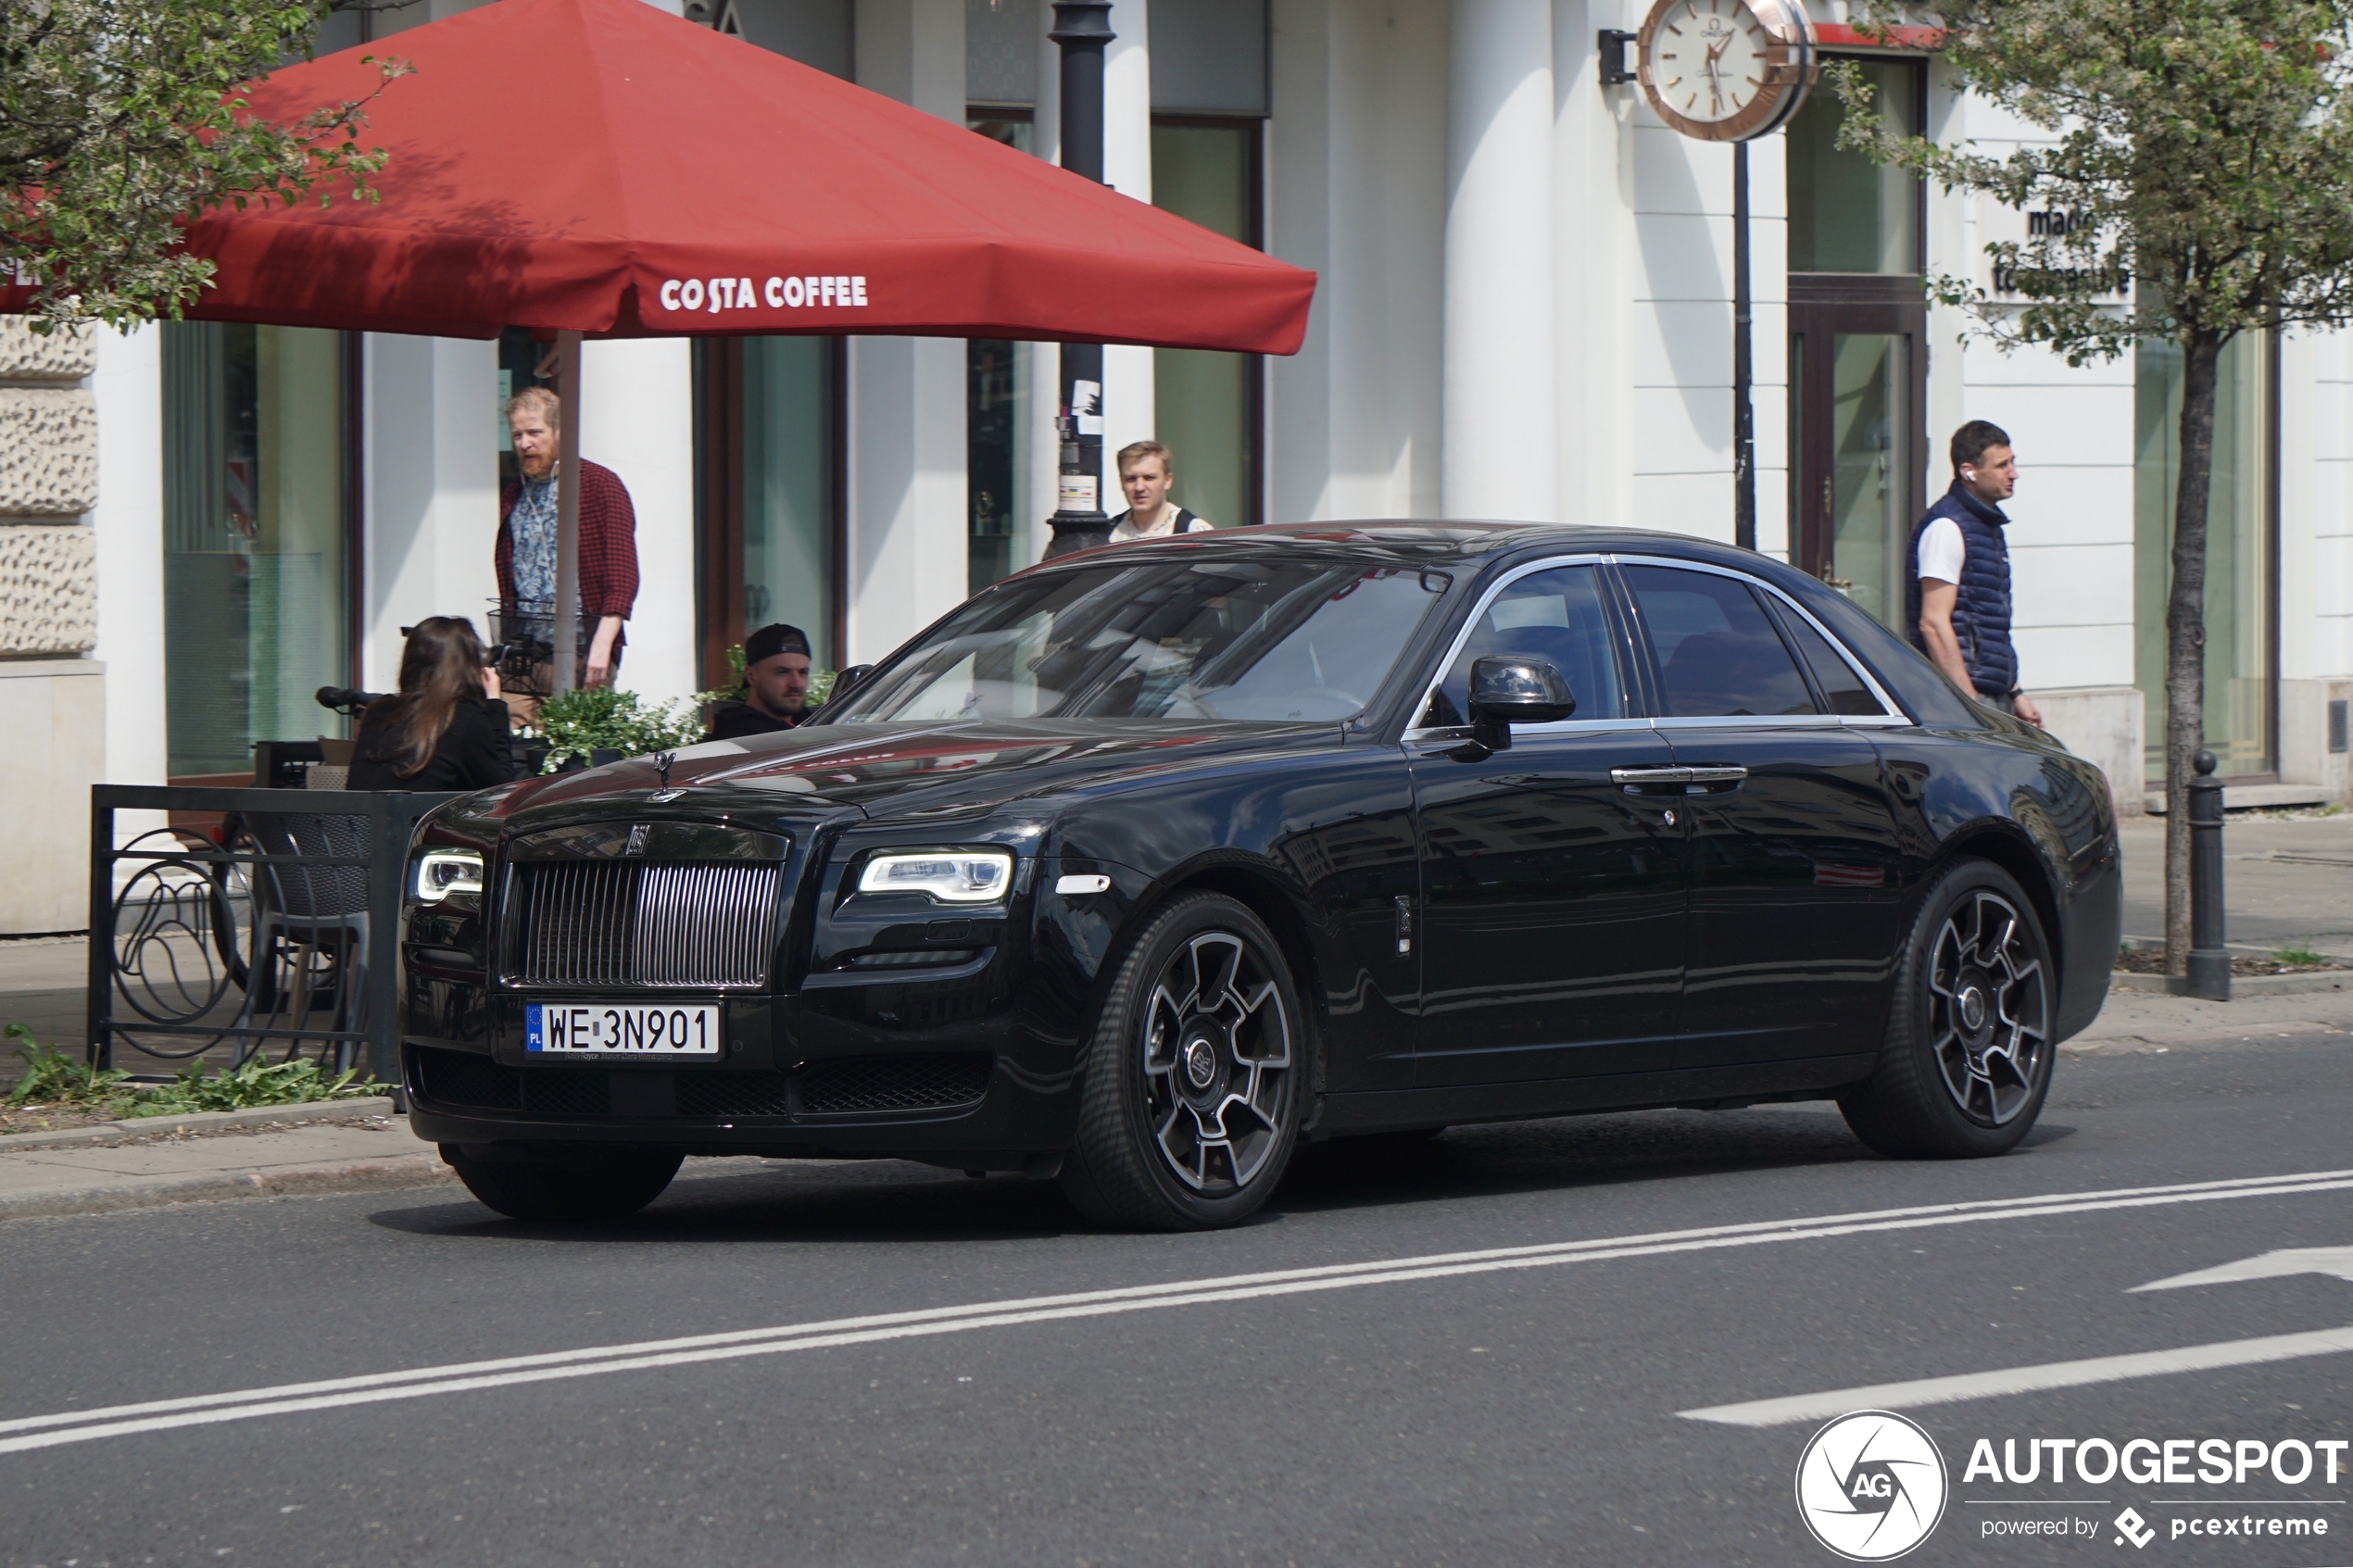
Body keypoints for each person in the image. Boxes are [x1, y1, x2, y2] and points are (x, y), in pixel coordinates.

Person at [496, 386, 641, 707]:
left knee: (578, 750)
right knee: (513, 746)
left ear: (561, 432)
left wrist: (601, 649)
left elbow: (622, 579)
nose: (525, 444)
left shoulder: (600, 485)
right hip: (526, 656)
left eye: (535, 432)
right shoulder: (513, 494)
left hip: (582, 652)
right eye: (517, 435)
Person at [1906, 420, 2045, 725]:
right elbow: (1933, 622)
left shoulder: (1984, 527)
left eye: (2013, 462)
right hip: (1959, 700)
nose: (2014, 473)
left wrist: (2014, 692)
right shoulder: (1947, 528)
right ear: (1969, 471)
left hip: (1990, 696)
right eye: (2002, 465)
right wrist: (1971, 705)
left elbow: (1987, 621)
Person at [348, 618, 522, 792]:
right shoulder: (465, 719)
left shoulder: (378, 711)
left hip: (358, 818)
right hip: (421, 818)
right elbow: (501, 790)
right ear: (469, 666)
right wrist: (495, 703)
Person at [706, 622, 819, 740]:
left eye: (803, 672)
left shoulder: (814, 721)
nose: (796, 683)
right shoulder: (739, 738)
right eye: (782, 672)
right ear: (751, 676)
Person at [1105, 441, 1212, 543]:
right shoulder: (1108, 535)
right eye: (1131, 479)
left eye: (1149, 478)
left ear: (1167, 481)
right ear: (1121, 482)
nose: (1139, 487)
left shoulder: (1194, 532)